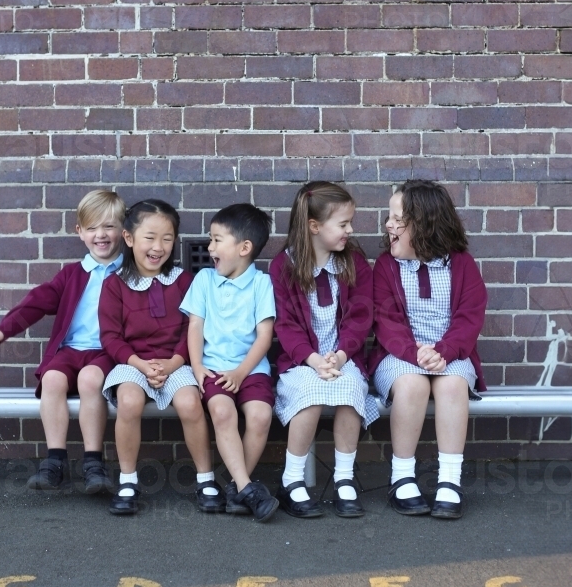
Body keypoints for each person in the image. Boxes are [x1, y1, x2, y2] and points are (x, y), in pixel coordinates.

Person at [0, 189, 126, 493]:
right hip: (70, 351)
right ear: (80, 232)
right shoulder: (72, 274)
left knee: (89, 380)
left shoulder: (131, 273)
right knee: (53, 379)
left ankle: (93, 463)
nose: (101, 234)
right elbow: (37, 302)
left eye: (109, 226)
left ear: (123, 231)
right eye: (93, 227)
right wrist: (3, 330)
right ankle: (55, 460)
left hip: (107, 353)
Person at [371, 179, 487, 520]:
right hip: (399, 355)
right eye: (389, 217)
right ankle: (402, 477)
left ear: (423, 227)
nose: (389, 225)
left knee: (452, 385)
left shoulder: (461, 264)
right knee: (412, 384)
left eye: (397, 219)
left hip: (452, 354)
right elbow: (385, 319)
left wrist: (444, 351)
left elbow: (470, 315)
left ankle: (450, 480)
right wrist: (414, 352)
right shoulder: (386, 265)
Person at [99, 199, 223, 517]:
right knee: (128, 401)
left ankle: (206, 479)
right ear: (129, 238)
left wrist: (174, 362)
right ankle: (128, 480)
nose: (158, 247)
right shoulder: (115, 285)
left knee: (190, 403)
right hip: (132, 363)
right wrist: (139, 364)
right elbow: (110, 337)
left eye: (167, 239)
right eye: (150, 237)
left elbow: (193, 329)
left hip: (176, 361)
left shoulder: (183, 281)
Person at [270, 182, 379, 519]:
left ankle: (344, 477)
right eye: (343, 224)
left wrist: (342, 355)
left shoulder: (354, 264)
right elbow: (285, 324)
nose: (350, 230)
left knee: (348, 390)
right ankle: (291, 480)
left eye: (350, 223)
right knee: (311, 391)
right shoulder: (283, 267)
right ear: (314, 227)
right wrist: (314, 359)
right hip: (301, 360)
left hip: (343, 357)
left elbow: (361, 317)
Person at [180, 203, 279, 523]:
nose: (210, 247)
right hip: (212, 366)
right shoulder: (205, 280)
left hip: (250, 368)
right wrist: (196, 367)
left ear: (244, 248)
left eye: (217, 240)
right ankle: (248, 490)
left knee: (261, 416)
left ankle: (238, 488)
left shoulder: (261, 284)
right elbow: (194, 327)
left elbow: (265, 336)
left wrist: (241, 372)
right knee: (222, 412)